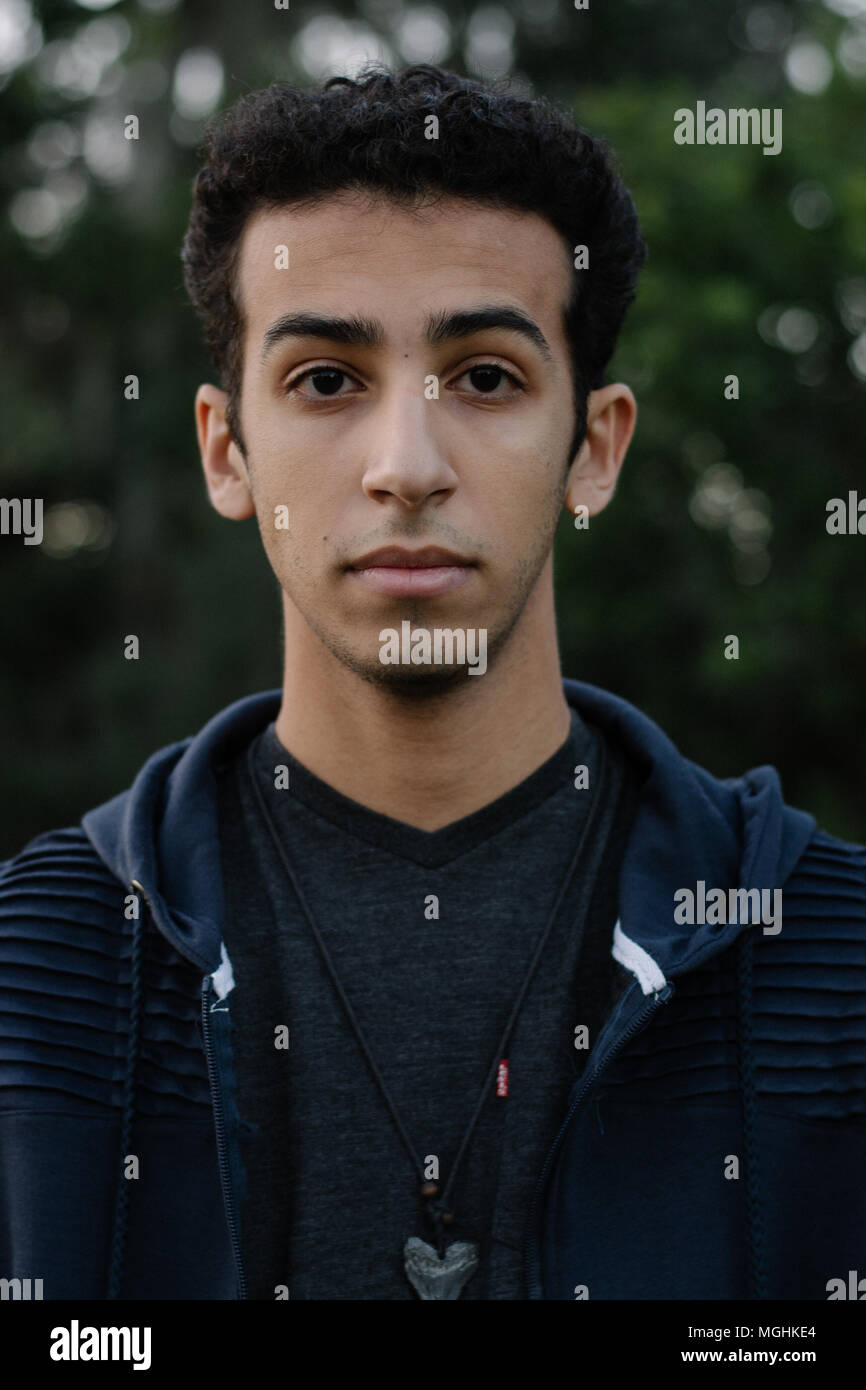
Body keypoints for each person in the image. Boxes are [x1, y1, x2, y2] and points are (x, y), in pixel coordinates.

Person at [2, 64, 864, 1303]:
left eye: (485, 376)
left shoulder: (825, 959)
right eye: (325, 380)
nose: (406, 465)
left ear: (595, 447)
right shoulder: (41, 972)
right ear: (226, 450)